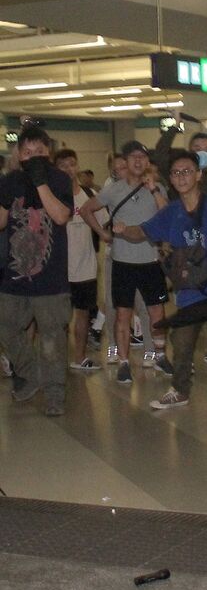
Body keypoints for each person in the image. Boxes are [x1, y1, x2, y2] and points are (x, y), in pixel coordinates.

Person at [113, 150, 207, 422]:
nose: (181, 177)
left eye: (187, 171)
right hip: (187, 294)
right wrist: (124, 229)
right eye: (176, 173)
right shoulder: (171, 211)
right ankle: (180, 391)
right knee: (181, 346)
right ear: (171, 180)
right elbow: (144, 231)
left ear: (198, 175)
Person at [81, 140, 173, 384]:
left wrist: (153, 189)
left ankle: (159, 355)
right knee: (123, 313)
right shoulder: (114, 190)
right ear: (125, 161)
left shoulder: (157, 188)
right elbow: (86, 209)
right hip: (122, 262)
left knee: (157, 312)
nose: (138, 161)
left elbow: (168, 217)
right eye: (133, 158)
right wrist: (102, 233)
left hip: (150, 261)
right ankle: (123, 361)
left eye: (142, 157)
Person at [0, 127, 73, 417]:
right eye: (27, 153)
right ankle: (31, 375)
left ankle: (55, 395)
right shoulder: (10, 181)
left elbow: (60, 216)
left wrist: (40, 182)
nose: (32, 158)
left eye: (39, 153)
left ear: (48, 153)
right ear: (18, 154)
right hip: (14, 278)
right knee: (6, 330)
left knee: (52, 340)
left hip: (51, 281)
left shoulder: (58, 179)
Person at [54, 148, 105, 372]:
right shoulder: (51, 196)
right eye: (63, 165)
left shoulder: (88, 194)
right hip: (59, 269)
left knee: (83, 313)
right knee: (59, 319)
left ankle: (80, 357)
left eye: (72, 164)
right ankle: (56, 362)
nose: (68, 169)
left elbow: (103, 222)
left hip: (86, 267)